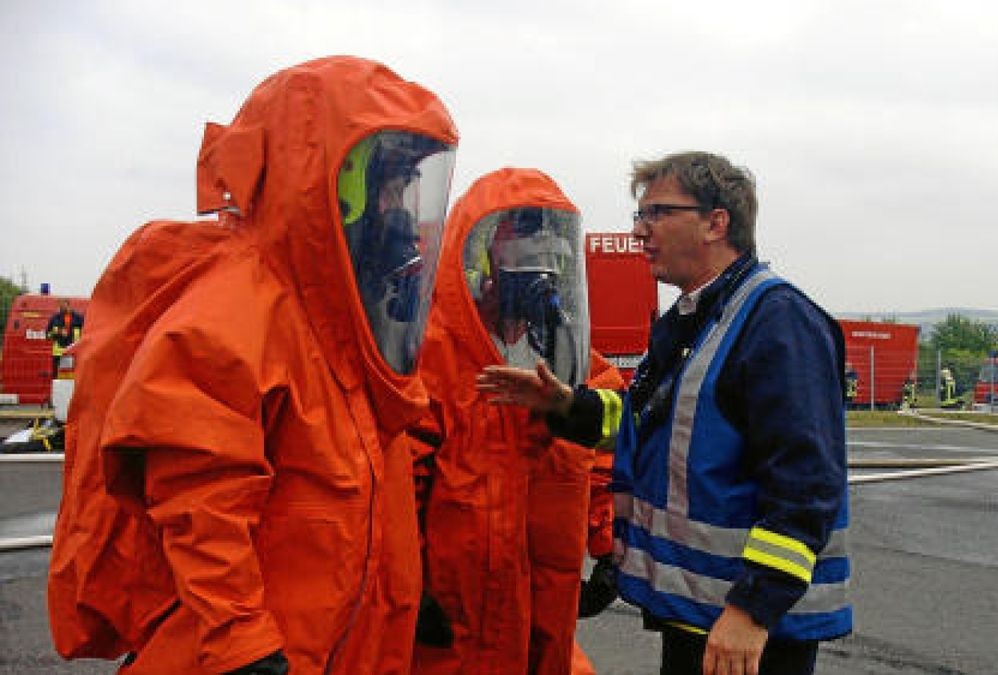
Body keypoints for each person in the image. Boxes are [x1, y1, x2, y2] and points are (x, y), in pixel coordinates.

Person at [47, 56, 459, 674]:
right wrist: (243, 643)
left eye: (409, 188)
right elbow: (199, 495)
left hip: (334, 644)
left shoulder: (345, 320)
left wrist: (404, 584)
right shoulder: (240, 304)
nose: (402, 212)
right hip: (248, 653)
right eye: (390, 187)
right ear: (337, 184)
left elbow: (362, 491)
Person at [478, 151, 852, 675]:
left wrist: (753, 609)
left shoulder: (777, 321)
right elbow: (650, 427)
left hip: (750, 631)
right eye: (639, 216)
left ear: (715, 223)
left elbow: (807, 484)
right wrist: (565, 405)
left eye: (657, 214)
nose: (639, 232)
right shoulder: (695, 317)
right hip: (697, 614)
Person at [411, 168, 625, 674]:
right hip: (459, 599)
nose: (538, 275)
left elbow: (606, 446)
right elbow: (405, 473)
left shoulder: (568, 352)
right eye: (523, 254)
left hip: (546, 590)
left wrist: (608, 543)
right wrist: (410, 579)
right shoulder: (439, 350)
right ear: (483, 256)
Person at [45, 299, 84, 378]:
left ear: (68, 305)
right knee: (56, 378)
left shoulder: (78, 318)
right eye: (60, 306)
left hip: (73, 352)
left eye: (63, 305)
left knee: (73, 377)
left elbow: (85, 332)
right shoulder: (54, 318)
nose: (61, 308)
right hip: (58, 353)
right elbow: (47, 335)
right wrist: (59, 332)